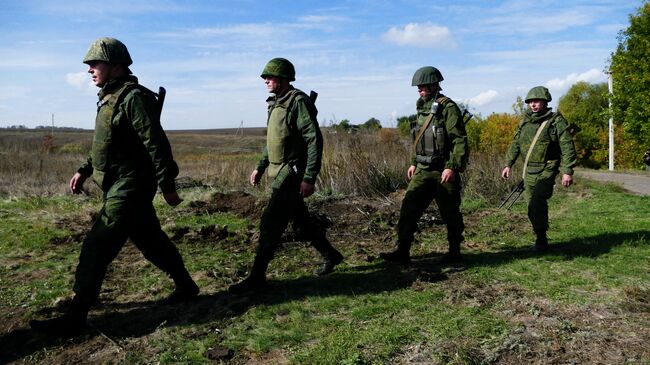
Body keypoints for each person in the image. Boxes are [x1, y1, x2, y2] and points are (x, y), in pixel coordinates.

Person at [29, 37, 199, 336]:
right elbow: (105, 144)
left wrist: (168, 186)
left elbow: (157, 144)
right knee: (150, 239)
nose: (89, 69)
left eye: (95, 63)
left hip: (131, 185)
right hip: (119, 183)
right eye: (89, 65)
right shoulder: (110, 98)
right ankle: (186, 285)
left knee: (97, 244)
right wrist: (84, 169)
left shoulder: (133, 97)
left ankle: (76, 317)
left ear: (116, 65)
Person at [229, 58, 343, 293]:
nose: (265, 81)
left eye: (269, 77)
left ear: (283, 79)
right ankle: (331, 255)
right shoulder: (275, 103)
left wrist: (309, 177)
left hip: (290, 173)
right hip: (276, 170)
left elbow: (314, 140)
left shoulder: (298, 102)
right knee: (301, 221)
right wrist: (259, 166)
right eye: (264, 78)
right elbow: (274, 140)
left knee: (270, 223)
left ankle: (257, 277)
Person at [380, 66, 469, 265]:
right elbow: (419, 139)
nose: (420, 90)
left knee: (450, 213)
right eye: (418, 87)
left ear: (434, 84)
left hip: (442, 170)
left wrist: (452, 166)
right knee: (408, 209)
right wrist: (413, 162)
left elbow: (459, 140)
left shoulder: (448, 107)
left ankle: (455, 252)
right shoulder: (421, 107)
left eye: (423, 86)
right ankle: (402, 252)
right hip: (422, 169)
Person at [501, 86, 577, 251]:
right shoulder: (525, 121)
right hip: (528, 170)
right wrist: (508, 164)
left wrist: (567, 171)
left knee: (537, 201)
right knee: (530, 206)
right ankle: (539, 235)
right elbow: (515, 144)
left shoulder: (555, 121)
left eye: (536, 101)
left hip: (547, 168)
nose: (533, 105)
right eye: (530, 102)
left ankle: (541, 239)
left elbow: (567, 146)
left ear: (545, 101)